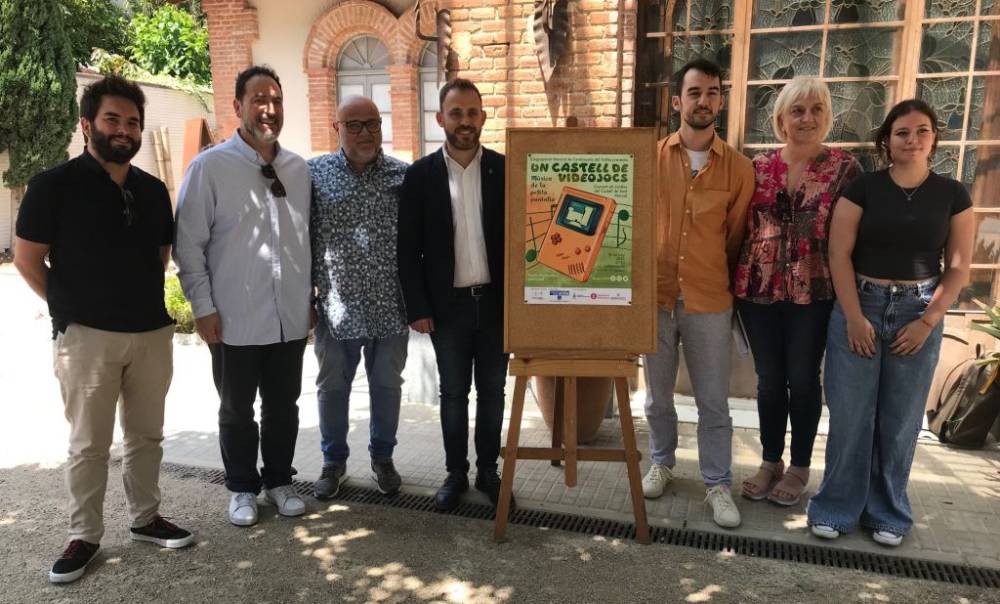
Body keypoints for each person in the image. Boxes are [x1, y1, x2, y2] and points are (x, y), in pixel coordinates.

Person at [14, 75, 194, 584]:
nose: (124, 129)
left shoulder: (153, 190)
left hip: (150, 334)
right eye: (112, 119)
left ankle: (144, 519)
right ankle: (84, 536)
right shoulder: (53, 186)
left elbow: (161, 255)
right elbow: (28, 260)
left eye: (132, 122)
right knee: (88, 444)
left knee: (146, 436)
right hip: (86, 336)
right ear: (87, 124)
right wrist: (70, 306)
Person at [807, 99, 974, 546]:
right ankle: (836, 507)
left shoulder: (953, 194)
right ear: (887, 140)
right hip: (860, 301)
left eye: (922, 131)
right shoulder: (864, 188)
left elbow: (958, 266)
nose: (912, 139)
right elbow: (838, 254)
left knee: (900, 419)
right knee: (850, 413)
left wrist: (928, 321)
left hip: (918, 311)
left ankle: (887, 512)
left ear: (934, 137)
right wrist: (855, 317)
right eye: (902, 132)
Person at [174, 65, 312, 527]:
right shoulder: (209, 168)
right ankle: (240, 488)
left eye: (275, 99)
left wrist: (308, 298)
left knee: (283, 406)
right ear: (238, 107)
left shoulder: (298, 169)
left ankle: (278, 480)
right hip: (232, 318)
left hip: (288, 317)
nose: (268, 109)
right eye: (258, 99)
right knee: (236, 410)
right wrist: (203, 307)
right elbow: (188, 244)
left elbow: (305, 238)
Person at [733, 77, 862, 506]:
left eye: (816, 109)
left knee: (804, 379)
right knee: (770, 380)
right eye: (797, 110)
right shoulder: (757, 167)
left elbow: (855, 238)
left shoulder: (845, 169)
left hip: (816, 290)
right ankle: (770, 461)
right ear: (780, 119)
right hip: (759, 289)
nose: (807, 118)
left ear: (827, 116)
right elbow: (739, 227)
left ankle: (800, 466)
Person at [641, 59, 755, 529]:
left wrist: (710, 277)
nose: (703, 101)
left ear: (720, 101)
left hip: (710, 300)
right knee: (657, 395)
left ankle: (716, 484)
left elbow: (734, 239)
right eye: (694, 92)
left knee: (713, 400)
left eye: (711, 92)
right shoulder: (649, 158)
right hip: (658, 298)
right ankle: (662, 462)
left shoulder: (740, 169)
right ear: (676, 101)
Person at [397, 78, 510, 512]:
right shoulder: (420, 176)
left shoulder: (504, 170)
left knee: (494, 393)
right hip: (448, 309)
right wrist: (418, 307)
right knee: (452, 394)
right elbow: (407, 249)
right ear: (440, 118)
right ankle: (455, 473)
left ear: (483, 117)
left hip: (496, 306)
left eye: (472, 113)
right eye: (456, 113)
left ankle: (488, 471)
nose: (465, 121)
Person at [308, 96, 410, 499]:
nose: (365, 132)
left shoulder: (404, 177)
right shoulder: (313, 175)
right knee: (332, 388)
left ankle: (382, 458)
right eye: (354, 125)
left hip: (391, 307)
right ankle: (333, 462)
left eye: (372, 123)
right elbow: (301, 240)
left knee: (387, 386)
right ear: (337, 128)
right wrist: (305, 300)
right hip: (336, 309)